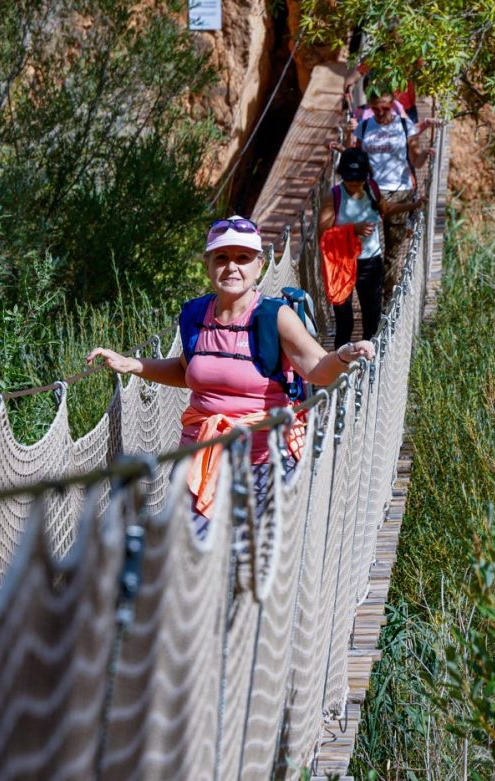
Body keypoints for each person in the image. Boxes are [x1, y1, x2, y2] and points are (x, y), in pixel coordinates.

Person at [87, 216, 375, 537]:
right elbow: (189, 371)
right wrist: (133, 365)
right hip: (199, 462)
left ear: (259, 265)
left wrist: (343, 356)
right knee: (193, 561)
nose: (232, 267)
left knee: (255, 569)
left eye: (243, 258)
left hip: (264, 462)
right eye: (221, 258)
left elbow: (317, 369)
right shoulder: (195, 316)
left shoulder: (274, 316)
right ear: (208, 265)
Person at [319, 148, 426, 348]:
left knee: (372, 317)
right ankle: (339, 367)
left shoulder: (372, 189)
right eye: (349, 178)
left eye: (357, 178)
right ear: (342, 175)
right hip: (341, 264)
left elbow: (386, 210)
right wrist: (353, 230)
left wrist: (414, 205)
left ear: (365, 175)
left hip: (370, 263)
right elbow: (322, 233)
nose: (353, 183)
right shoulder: (333, 196)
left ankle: (369, 365)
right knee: (344, 321)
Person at [351, 86, 430, 305]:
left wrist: (424, 155)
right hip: (371, 194)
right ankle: (370, 297)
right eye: (375, 109)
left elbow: (415, 160)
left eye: (384, 108)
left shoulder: (404, 126)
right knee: (366, 250)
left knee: (393, 252)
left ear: (393, 104)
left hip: (400, 191)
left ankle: (387, 301)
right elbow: (357, 159)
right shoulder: (365, 126)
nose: (380, 113)